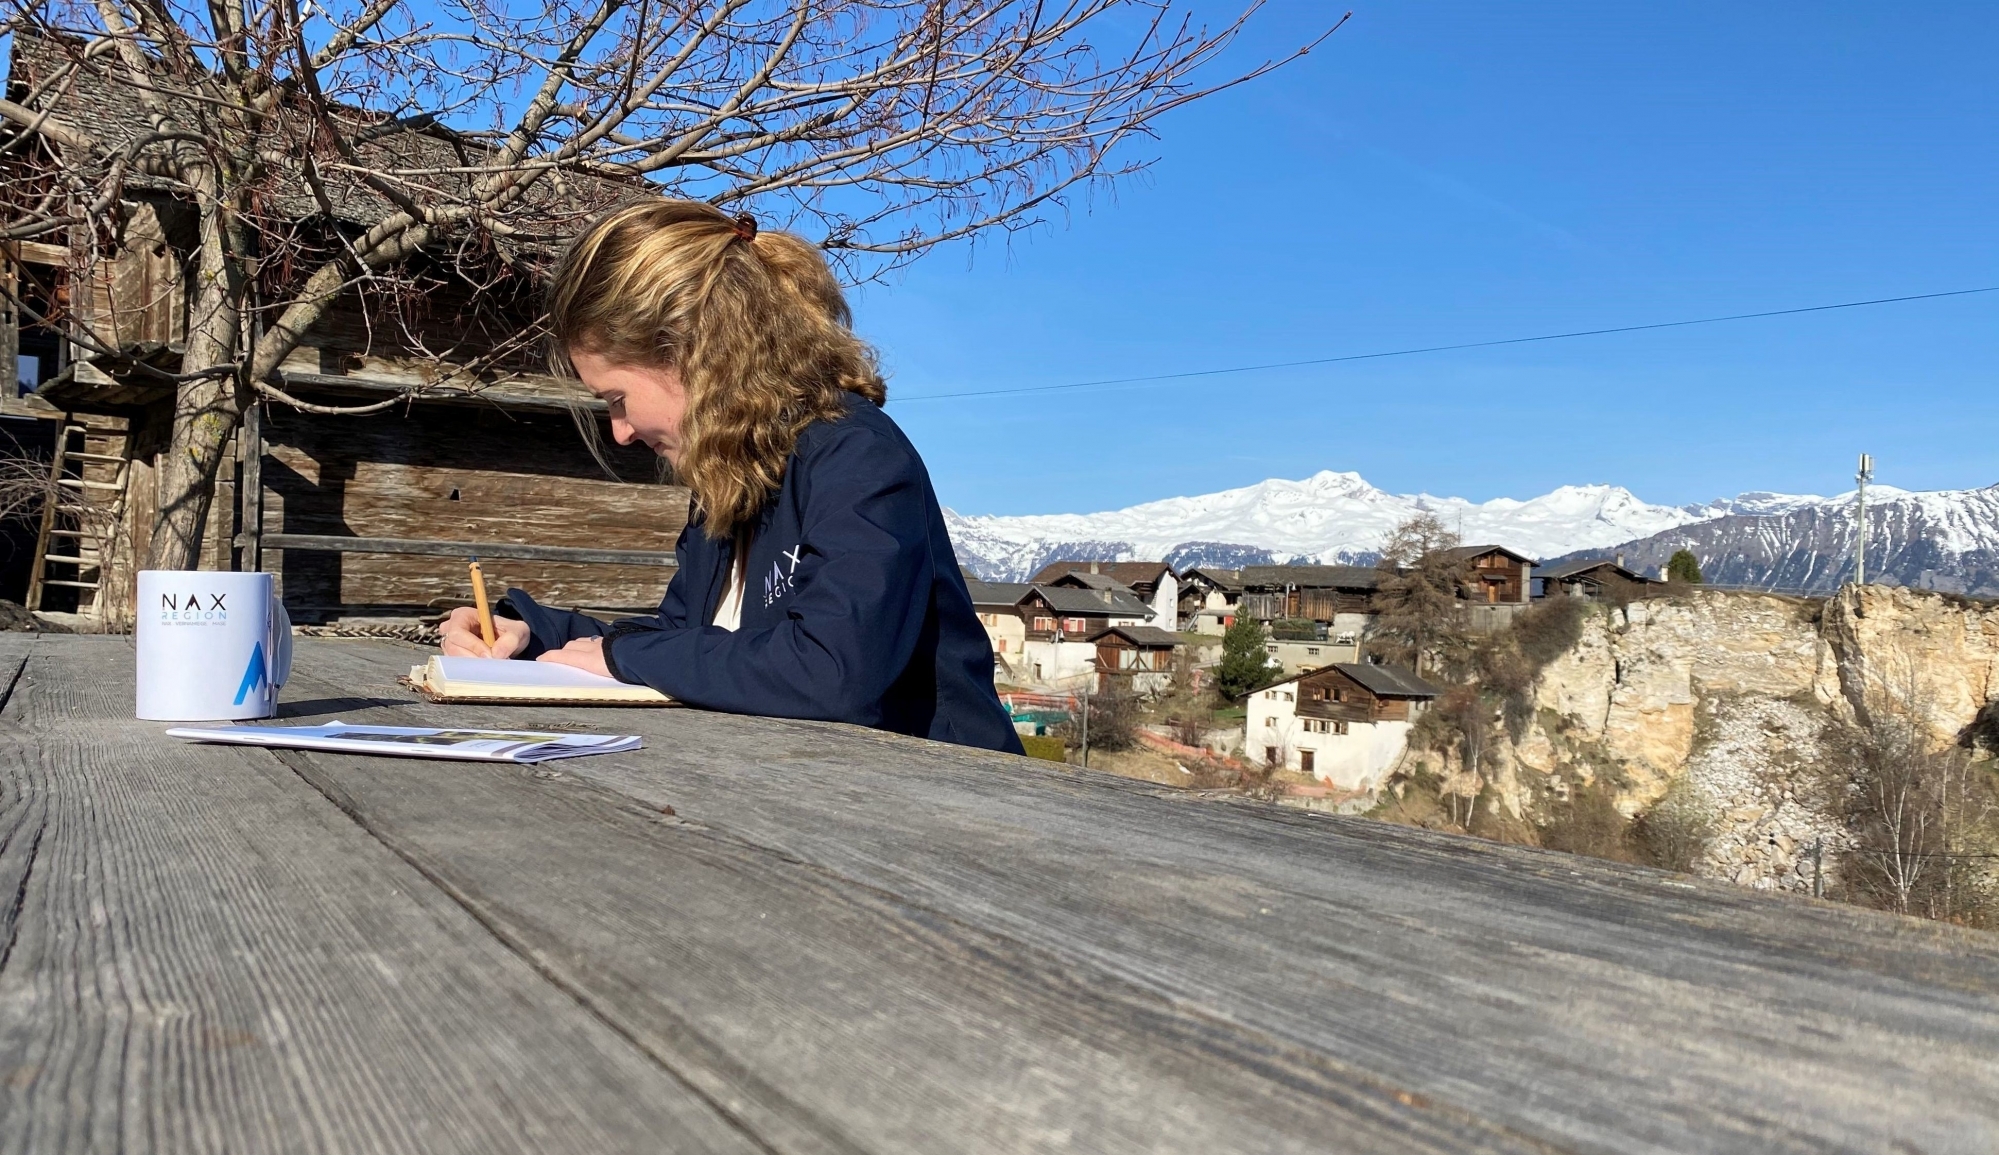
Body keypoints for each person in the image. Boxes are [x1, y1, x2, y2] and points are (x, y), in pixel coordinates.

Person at [438, 200, 1022, 755]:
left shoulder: (857, 457)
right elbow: (682, 637)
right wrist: (531, 633)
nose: (620, 432)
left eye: (616, 399)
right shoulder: (733, 480)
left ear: (693, 355)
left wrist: (623, 655)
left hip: (951, 802)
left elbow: (832, 671)